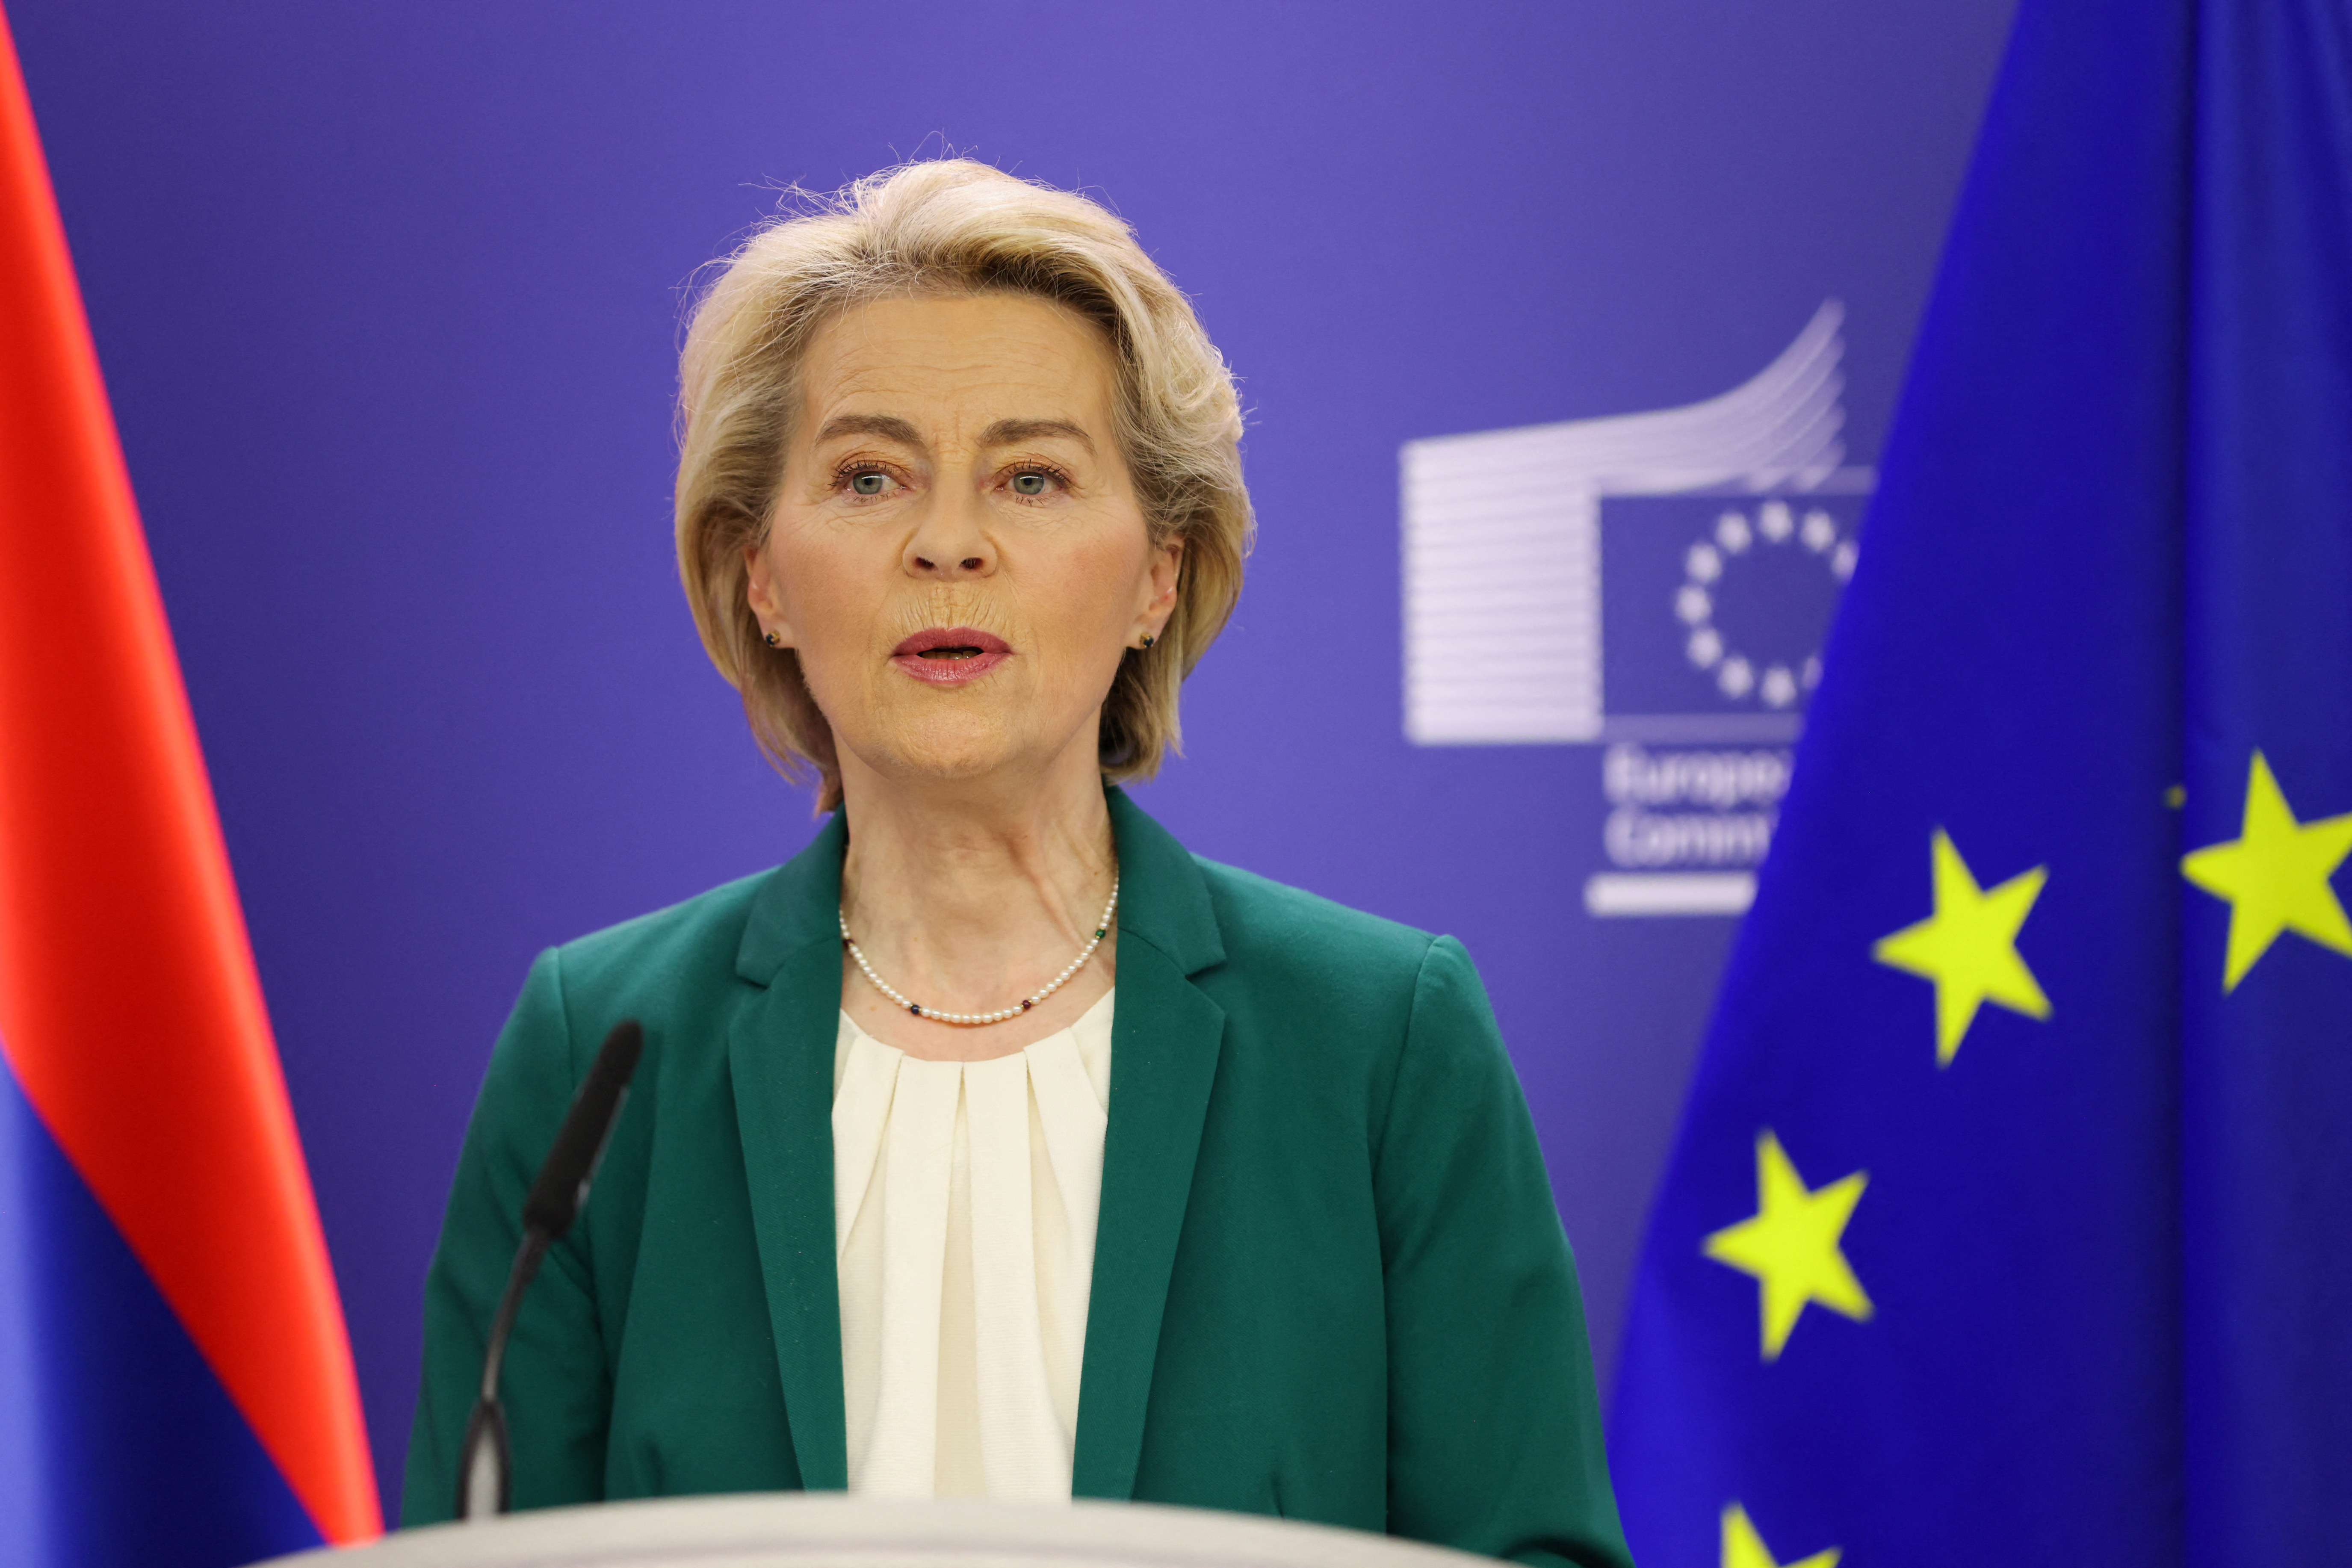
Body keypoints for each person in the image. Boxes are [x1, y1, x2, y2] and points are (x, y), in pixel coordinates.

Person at [404, 159, 1631, 1566]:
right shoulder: (604, 1051)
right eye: (868, 476)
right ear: (761, 572)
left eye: (1031, 477)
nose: (947, 544)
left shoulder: (1377, 1039)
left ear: (1158, 571)